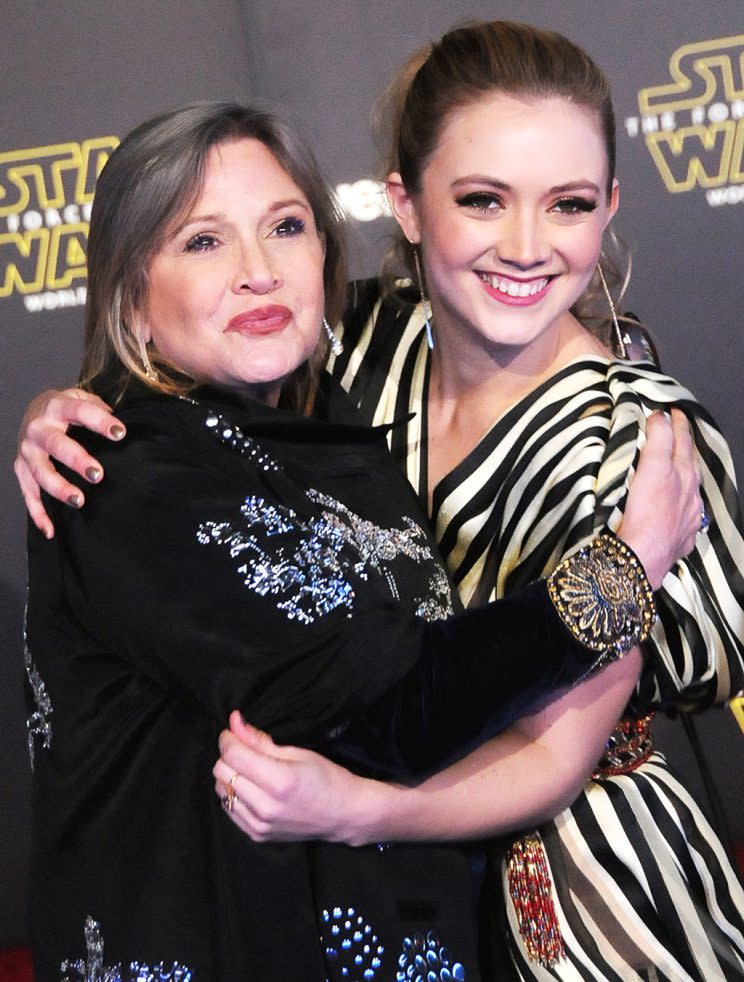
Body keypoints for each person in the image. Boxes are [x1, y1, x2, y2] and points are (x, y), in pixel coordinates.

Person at [14, 23, 741, 982]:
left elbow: (553, 755)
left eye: (566, 203)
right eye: (482, 199)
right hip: (363, 892)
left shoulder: (641, 441)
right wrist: (67, 402)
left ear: (609, 207)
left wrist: (364, 809)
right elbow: (211, 347)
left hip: (586, 895)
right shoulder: (362, 344)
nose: (525, 246)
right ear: (403, 203)